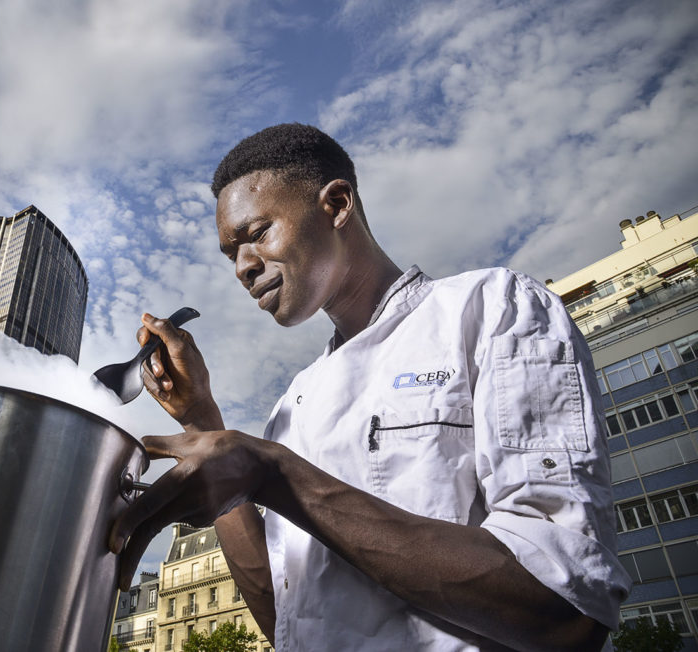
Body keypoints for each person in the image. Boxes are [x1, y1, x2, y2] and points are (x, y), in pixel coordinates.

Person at [108, 123, 630, 651]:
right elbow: (285, 620)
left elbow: (566, 609)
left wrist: (274, 474)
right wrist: (202, 421)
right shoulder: (294, 404)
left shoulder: (491, 309)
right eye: (230, 254)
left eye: (258, 233)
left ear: (336, 204)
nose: (243, 267)